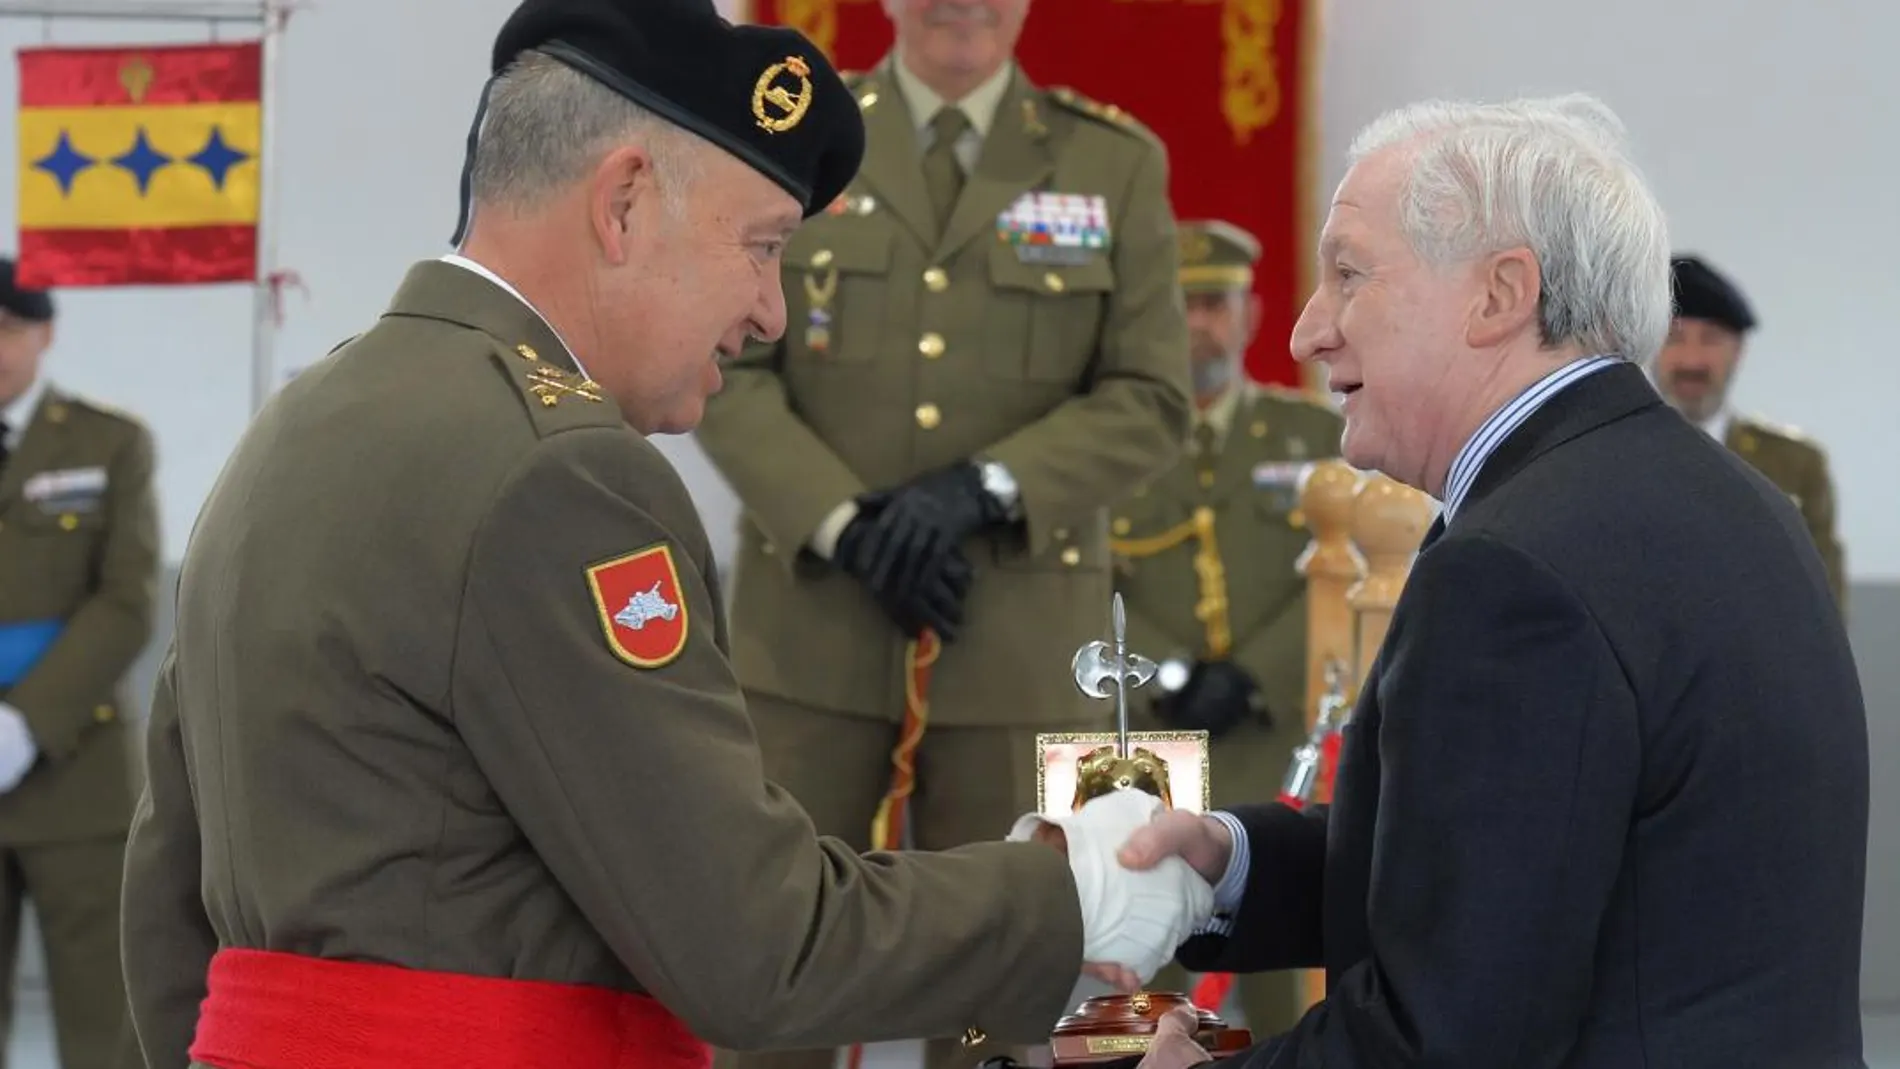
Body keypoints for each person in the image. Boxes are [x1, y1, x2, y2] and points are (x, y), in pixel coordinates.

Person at [115, 2, 1217, 1067]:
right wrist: (1076, 888)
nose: (772, 311)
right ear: (626, 202)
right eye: (763, 245)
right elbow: (759, 947)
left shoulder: (301, 425)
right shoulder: (565, 473)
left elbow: (170, 907)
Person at [1118, 94, 1870, 1069]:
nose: (1308, 332)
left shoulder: (1515, 569)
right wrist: (1229, 864)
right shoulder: (1711, 496)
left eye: (1348, 274)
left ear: (1498, 295)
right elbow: (1519, 869)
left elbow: (1452, 1036)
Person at [691, 0, 1191, 1060]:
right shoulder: (797, 134)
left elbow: (1150, 397)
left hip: (1015, 653)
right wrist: (844, 523)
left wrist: (983, 488)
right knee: (768, 969)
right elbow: (726, 364)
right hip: (811, 637)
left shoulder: (1115, 161)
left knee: (1021, 986)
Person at [1108, 219, 1340, 1036]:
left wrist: (1259, 673)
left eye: (1217, 303)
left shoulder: (1316, 438)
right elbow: (1081, 584)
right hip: (1152, 740)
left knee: (1291, 975)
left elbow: (1344, 572)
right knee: (1146, 967)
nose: (1199, 323)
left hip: (1277, 735)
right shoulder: (1111, 443)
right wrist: (1170, 672)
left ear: (1248, 318)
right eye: (1183, 304)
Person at [0, 260, 156, 1069]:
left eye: (8, 328)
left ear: (45, 332)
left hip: (77, 772)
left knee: (105, 1030)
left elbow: (128, 600)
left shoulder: (109, 442)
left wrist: (24, 723)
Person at [1656, 253, 1846, 612]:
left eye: (1710, 338)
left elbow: (1826, 603)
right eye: (1674, 337)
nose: (1691, 360)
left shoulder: (1796, 464)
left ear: (1738, 351)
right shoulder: (1610, 455)